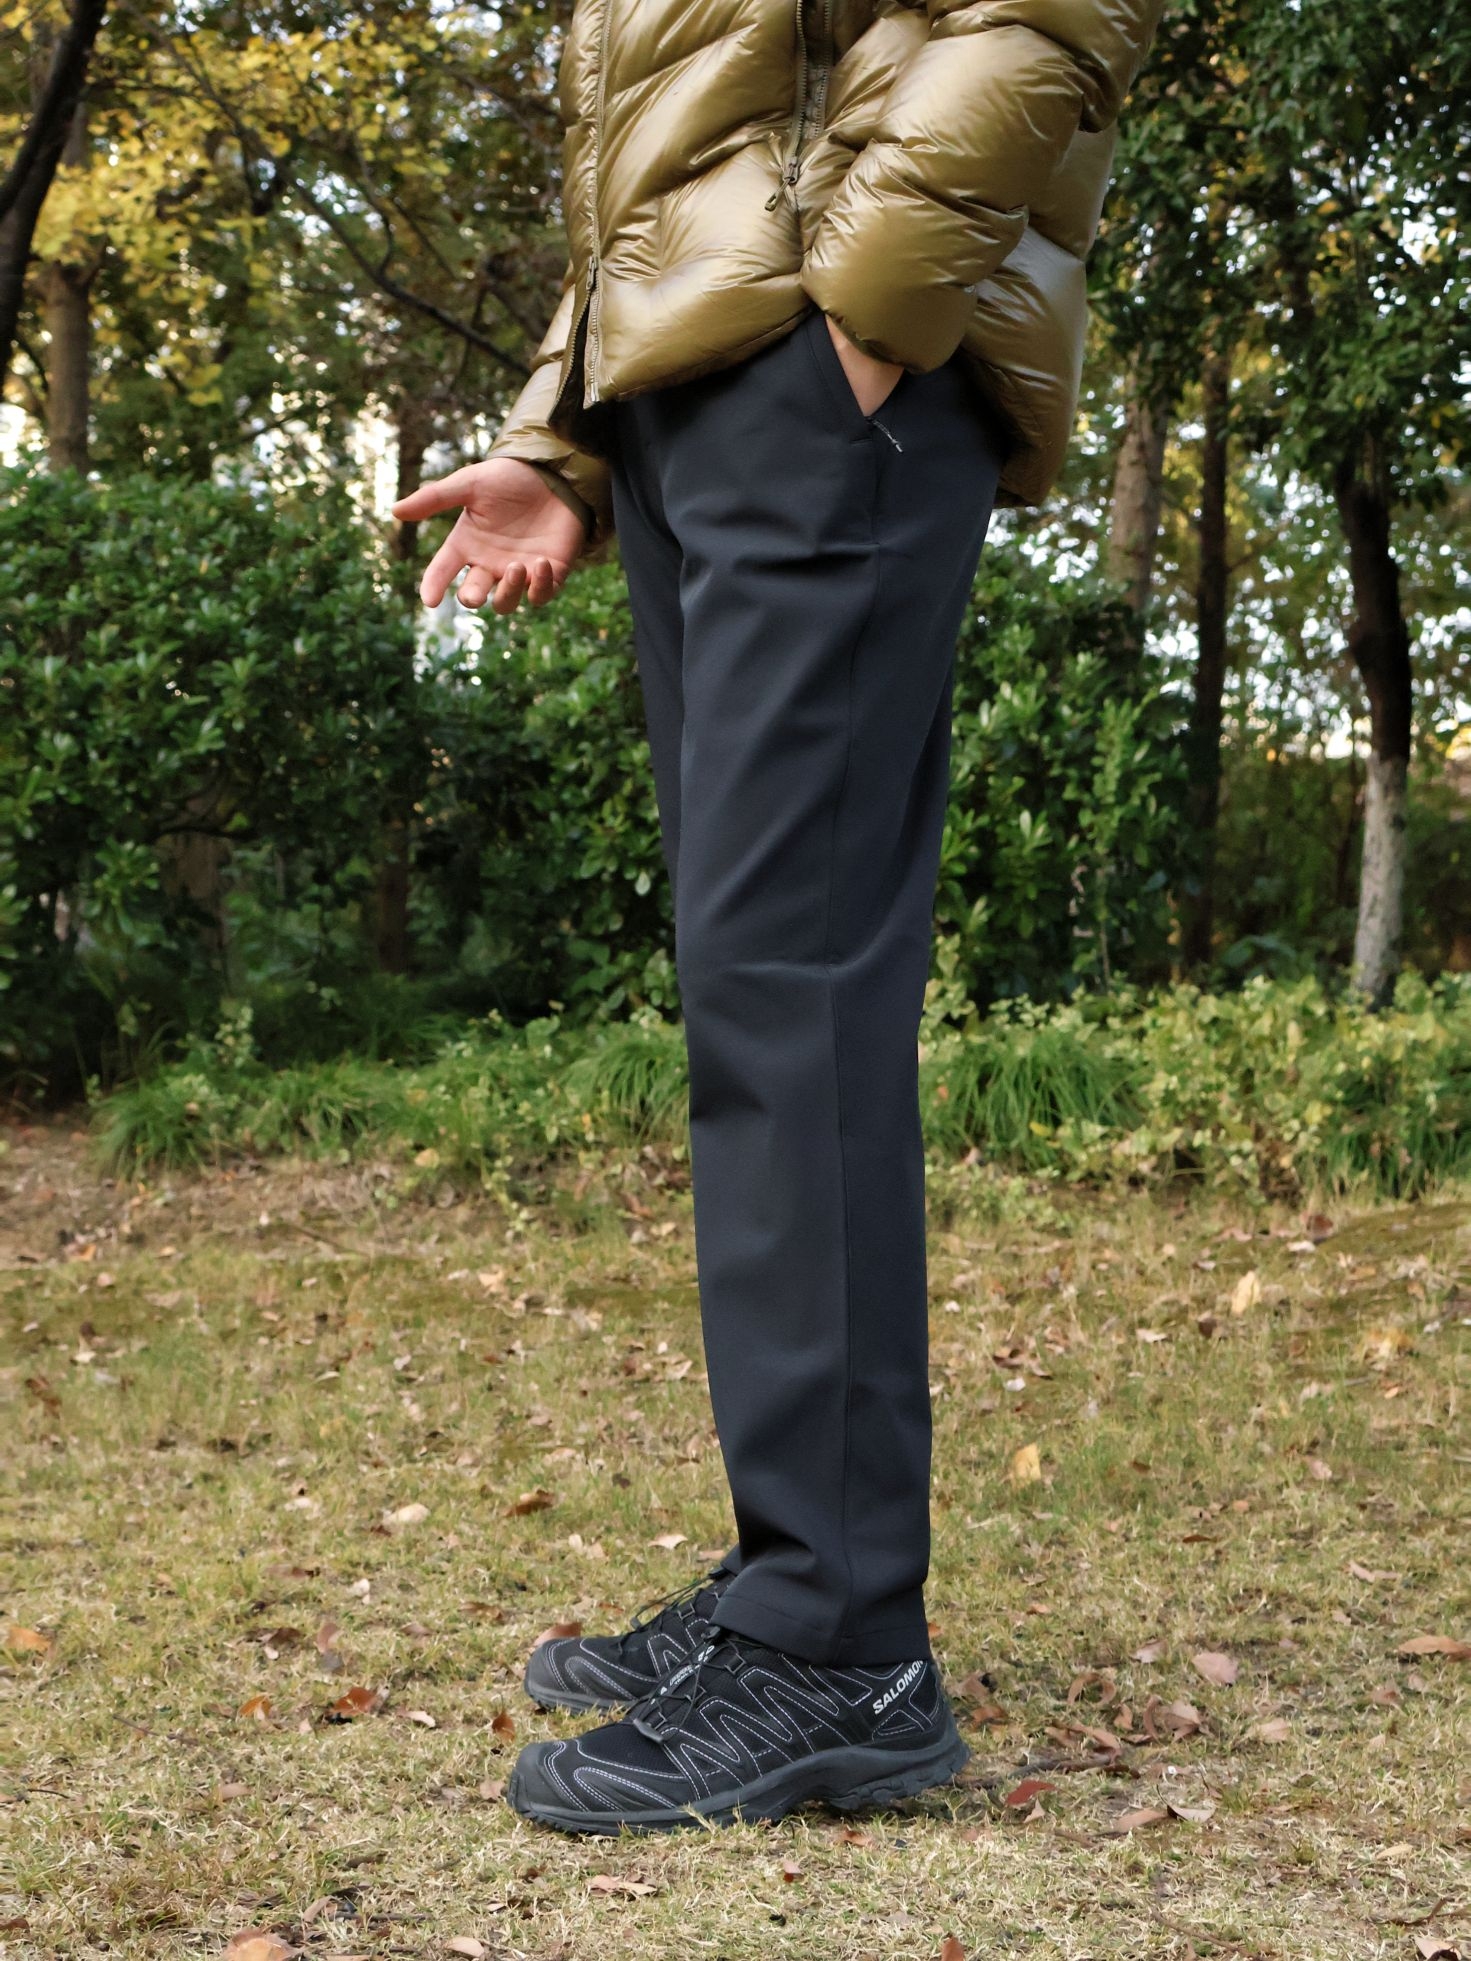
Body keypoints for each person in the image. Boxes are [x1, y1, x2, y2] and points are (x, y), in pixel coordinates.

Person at [393, 0, 1164, 1836]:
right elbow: (691, 115)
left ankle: (839, 1645)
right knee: (760, 997)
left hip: (828, 374)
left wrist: (860, 333)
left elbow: (1043, 21)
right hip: (718, 394)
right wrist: (570, 432)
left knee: (792, 999)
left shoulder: (848, 336)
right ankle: (792, 1576)